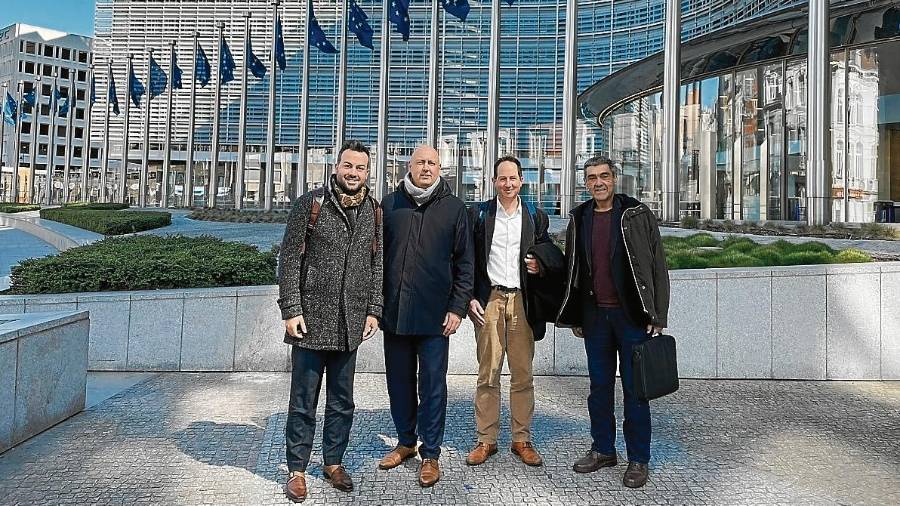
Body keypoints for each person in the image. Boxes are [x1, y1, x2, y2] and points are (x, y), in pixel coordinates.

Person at [277, 140, 383, 503]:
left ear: (368, 172)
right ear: (336, 167)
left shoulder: (374, 210)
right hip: (310, 322)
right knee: (303, 401)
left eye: (361, 168)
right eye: (348, 166)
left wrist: (373, 309)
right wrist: (291, 309)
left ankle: (333, 462)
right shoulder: (311, 204)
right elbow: (289, 260)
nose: (354, 173)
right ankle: (297, 469)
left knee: (342, 401)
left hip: (350, 322)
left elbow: (376, 265)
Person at [556, 155, 670, 489]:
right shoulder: (580, 218)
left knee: (636, 391)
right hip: (595, 319)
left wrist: (657, 315)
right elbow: (574, 270)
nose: (598, 183)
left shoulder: (635, 214)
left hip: (631, 317)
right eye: (591, 178)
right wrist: (576, 314)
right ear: (586, 183)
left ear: (614, 178)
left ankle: (638, 459)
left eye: (603, 176)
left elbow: (657, 266)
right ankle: (603, 449)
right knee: (599, 389)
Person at [378, 145, 474, 487]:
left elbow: (465, 264)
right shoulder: (389, 205)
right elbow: (376, 262)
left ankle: (430, 454)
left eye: (432, 163)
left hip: (436, 319)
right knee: (398, 384)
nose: (427, 167)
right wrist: (376, 308)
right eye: (421, 162)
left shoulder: (454, 208)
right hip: (396, 315)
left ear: (440, 168)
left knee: (433, 386)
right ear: (410, 165)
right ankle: (406, 442)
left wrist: (457, 307)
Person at [465, 156, 554, 467]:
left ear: (521, 181)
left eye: (513, 178)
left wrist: (540, 265)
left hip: (521, 301)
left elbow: (549, 253)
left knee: (522, 374)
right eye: (502, 178)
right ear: (494, 182)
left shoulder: (534, 216)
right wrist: (468, 298)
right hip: (489, 299)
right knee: (487, 373)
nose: (508, 183)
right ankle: (486, 440)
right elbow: (466, 259)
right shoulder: (478, 215)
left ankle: (521, 439)